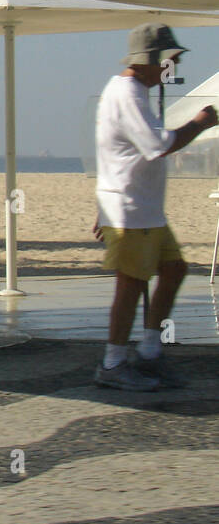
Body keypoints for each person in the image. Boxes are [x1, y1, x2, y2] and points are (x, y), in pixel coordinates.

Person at [92, 23, 218, 390]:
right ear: (151, 61)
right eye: (170, 61)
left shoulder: (131, 93)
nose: (173, 69)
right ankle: (113, 363)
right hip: (131, 210)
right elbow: (155, 145)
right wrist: (199, 123)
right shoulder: (128, 94)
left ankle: (148, 352)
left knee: (174, 268)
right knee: (130, 285)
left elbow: (115, 153)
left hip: (142, 210)